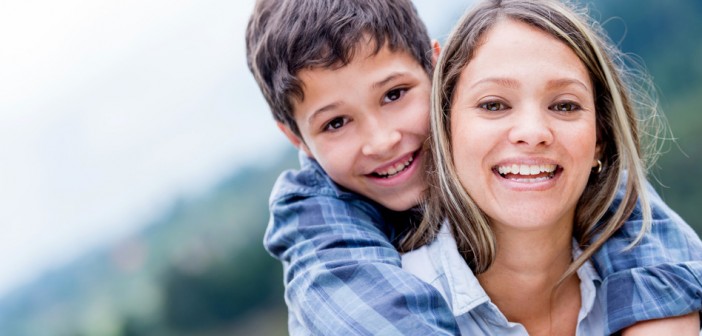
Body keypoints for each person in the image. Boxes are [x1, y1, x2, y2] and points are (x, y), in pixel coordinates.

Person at [245, 0, 702, 334]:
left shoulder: (597, 196)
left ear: (439, 71)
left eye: (395, 94)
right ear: (298, 141)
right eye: (337, 122)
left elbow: (631, 215)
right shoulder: (323, 232)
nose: (382, 140)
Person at [401, 0, 702, 335]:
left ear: (600, 138)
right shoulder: (400, 299)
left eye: (564, 105)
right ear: (445, 127)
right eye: (494, 104)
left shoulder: (673, 298)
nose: (532, 133)